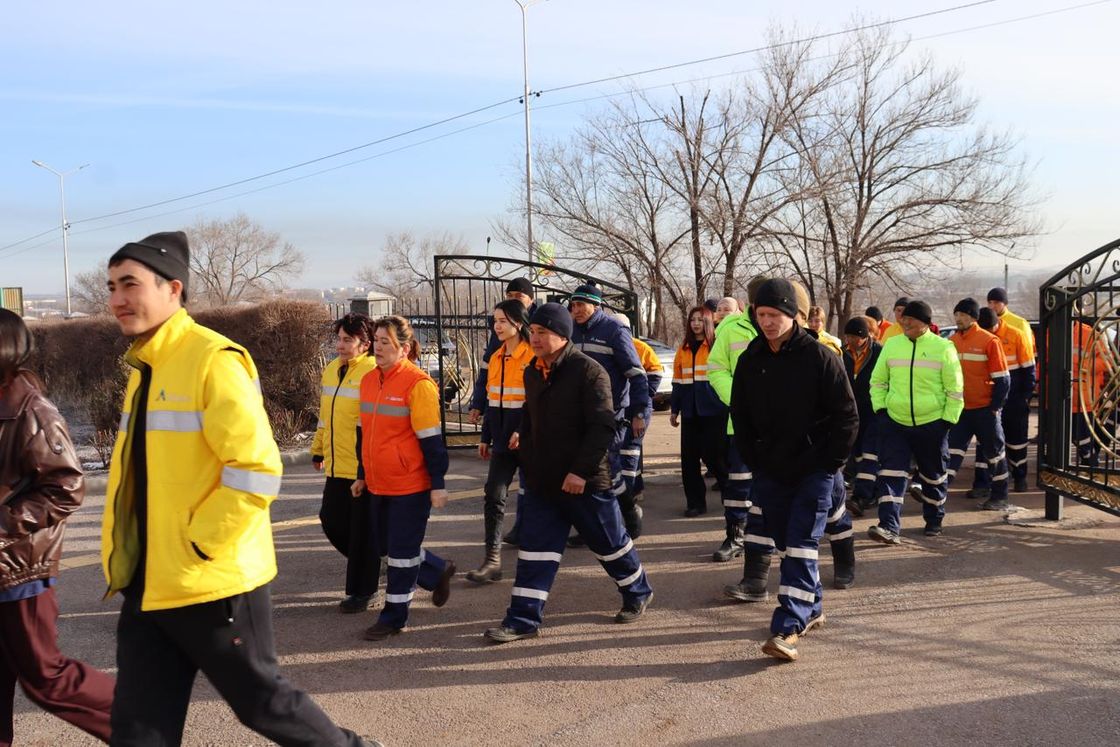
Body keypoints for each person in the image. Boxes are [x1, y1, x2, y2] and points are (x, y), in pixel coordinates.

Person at [102, 232, 372, 745]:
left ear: (173, 289)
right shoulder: (145, 367)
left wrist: (198, 543)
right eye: (112, 286)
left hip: (211, 578)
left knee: (264, 705)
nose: (117, 298)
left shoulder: (213, 359)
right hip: (151, 582)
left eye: (130, 284)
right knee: (138, 730)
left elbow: (255, 468)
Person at [483, 304, 653, 643]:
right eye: (533, 332)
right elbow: (530, 415)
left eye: (542, 333)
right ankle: (522, 620)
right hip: (543, 480)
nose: (535, 338)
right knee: (535, 552)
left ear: (562, 336)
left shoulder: (589, 372)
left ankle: (638, 591)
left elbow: (602, 428)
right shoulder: (533, 371)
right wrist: (522, 439)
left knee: (610, 545)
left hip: (584, 482)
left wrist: (579, 472)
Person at [0, 309, 114, 746]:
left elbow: (67, 487)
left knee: (46, 677)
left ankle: (141, 721)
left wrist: (3, 524)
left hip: (20, 573)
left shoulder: (33, 412)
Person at [729, 279, 858, 662]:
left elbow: (847, 416)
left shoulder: (820, 357)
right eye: (761, 314)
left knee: (801, 543)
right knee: (786, 544)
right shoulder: (750, 359)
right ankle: (812, 607)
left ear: (793, 315)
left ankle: (788, 627)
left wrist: (830, 464)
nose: (767, 322)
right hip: (771, 470)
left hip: (815, 470)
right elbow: (741, 415)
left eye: (775, 315)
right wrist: (755, 460)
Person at [356, 316, 456, 642]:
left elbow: (432, 442)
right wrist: (361, 475)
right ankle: (437, 570)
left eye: (386, 342)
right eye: (376, 340)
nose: (378, 347)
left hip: (410, 485)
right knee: (386, 547)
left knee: (401, 554)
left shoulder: (418, 385)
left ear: (404, 348)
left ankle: (393, 617)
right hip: (378, 483)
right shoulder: (368, 380)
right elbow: (364, 434)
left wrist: (437, 484)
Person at [866, 300, 964, 544]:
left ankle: (934, 519)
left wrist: (946, 422)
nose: (905, 322)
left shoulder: (943, 347)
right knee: (890, 473)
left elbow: (955, 390)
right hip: (895, 423)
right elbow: (877, 381)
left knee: (933, 476)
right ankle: (888, 526)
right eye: (904, 319)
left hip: (932, 424)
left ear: (925, 323)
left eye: (911, 319)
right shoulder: (892, 345)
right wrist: (881, 411)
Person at [311, 312, 380, 613]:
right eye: (338, 339)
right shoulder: (331, 370)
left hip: (361, 467)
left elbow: (375, 424)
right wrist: (318, 449)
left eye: (347, 340)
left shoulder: (372, 372)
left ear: (365, 344)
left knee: (361, 532)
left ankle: (363, 592)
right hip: (336, 463)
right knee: (331, 521)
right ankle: (411, 565)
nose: (340, 345)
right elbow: (325, 417)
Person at [568, 284, 649, 539]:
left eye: (581, 305)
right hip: (579, 414)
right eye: (573, 305)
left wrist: (639, 412)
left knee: (607, 469)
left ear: (596, 306)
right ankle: (593, 526)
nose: (576, 310)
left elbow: (637, 375)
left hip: (609, 414)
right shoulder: (570, 330)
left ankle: (628, 512)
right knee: (585, 469)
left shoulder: (614, 330)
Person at [466, 300, 534, 584]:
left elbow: (537, 402)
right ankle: (492, 560)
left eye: (503, 321)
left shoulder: (533, 355)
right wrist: (485, 437)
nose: (497, 326)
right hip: (503, 442)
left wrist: (522, 429)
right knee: (494, 495)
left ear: (518, 323)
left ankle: (539, 558)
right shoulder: (496, 357)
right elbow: (493, 400)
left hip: (530, 441)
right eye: (495, 321)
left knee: (540, 498)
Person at [707, 276, 767, 565]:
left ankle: (771, 534)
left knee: (775, 480)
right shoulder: (731, 329)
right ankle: (735, 536)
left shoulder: (786, 324)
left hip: (780, 422)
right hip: (742, 422)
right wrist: (739, 399)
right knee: (739, 483)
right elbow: (716, 368)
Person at [943, 299, 1010, 511]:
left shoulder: (989, 341)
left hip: (984, 410)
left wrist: (994, 408)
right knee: (950, 453)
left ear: (973, 317)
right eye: (956, 314)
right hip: (960, 410)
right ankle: (937, 495)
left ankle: (999, 496)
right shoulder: (951, 342)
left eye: (963, 315)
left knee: (995, 454)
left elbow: (1003, 379)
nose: (958, 319)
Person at [670, 306, 728, 517]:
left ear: (708, 322)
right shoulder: (683, 348)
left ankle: (731, 499)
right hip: (690, 413)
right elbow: (677, 382)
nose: (695, 324)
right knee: (689, 461)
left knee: (716, 458)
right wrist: (674, 410)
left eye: (700, 320)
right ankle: (695, 503)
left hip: (714, 412)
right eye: (692, 320)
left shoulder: (716, 346)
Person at [972, 307, 1035, 494]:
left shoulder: (1016, 335)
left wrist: (1025, 396)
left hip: (1014, 398)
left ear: (997, 324)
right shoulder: (979, 337)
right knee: (985, 442)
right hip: (988, 398)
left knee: (1016, 440)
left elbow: (1029, 368)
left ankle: (1020, 477)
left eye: (990, 330)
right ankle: (982, 484)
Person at [615, 313, 661, 504]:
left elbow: (656, 372)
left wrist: (645, 395)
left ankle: (627, 494)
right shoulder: (609, 345)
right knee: (624, 449)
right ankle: (635, 487)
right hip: (620, 404)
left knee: (630, 449)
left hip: (637, 405)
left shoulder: (640, 347)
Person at [841, 317, 884, 518]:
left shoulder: (879, 353)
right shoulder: (843, 353)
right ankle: (871, 492)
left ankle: (861, 496)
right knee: (857, 453)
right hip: (852, 411)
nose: (850, 340)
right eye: (847, 336)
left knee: (870, 453)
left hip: (874, 411)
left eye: (854, 337)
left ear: (865, 337)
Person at [986, 288, 1036, 361]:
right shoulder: (983, 322)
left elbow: (1027, 351)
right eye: (990, 302)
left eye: (996, 302)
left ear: (1005, 303)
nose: (992, 306)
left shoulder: (1020, 323)